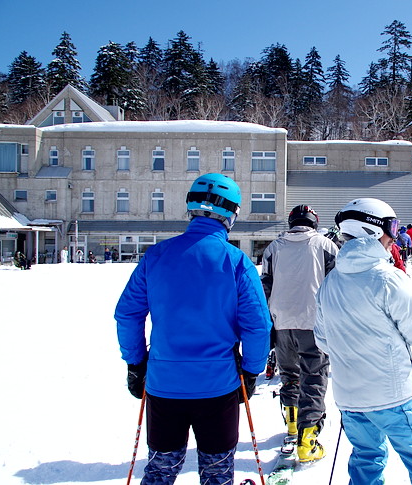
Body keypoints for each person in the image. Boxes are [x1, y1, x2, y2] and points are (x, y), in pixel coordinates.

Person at [115, 173, 272, 485]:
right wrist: (251, 371)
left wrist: (136, 364)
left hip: (164, 383)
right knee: (216, 474)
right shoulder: (236, 261)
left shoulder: (157, 255)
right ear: (231, 215)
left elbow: (128, 315)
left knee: (160, 470)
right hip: (218, 385)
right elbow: (257, 327)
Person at [315, 198, 412, 485]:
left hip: (350, 398)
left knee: (366, 457)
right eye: (393, 227)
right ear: (372, 231)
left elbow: (323, 340)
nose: (395, 236)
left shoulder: (330, 282)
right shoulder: (387, 279)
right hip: (394, 396)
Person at [260, 204, 338, 462]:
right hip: (314, 322)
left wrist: (269, 324)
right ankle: (308, 438)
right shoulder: (326, 246)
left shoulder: (273, 247)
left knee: (290, 375)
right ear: (314, 222)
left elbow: (266, 286)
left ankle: (292, 423)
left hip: (282, 321)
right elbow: (336, 285)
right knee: (314, 377)